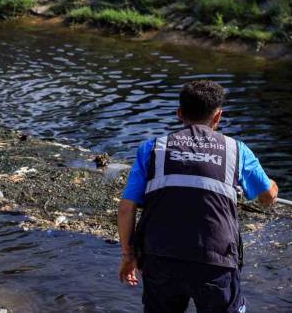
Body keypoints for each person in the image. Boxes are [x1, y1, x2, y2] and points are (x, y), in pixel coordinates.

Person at [117, 80, 278, 313]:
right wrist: (270, 187)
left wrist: (127, 255)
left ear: (179, 114)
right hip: (216, 260)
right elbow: (268, 196)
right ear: (217, 116)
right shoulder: (236, 150)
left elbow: (125, 208)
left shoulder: (152, 149)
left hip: (160, 257)